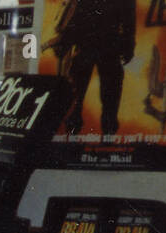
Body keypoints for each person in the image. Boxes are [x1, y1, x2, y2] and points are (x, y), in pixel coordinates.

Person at [47, 0, 135, 136]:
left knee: (103, 94)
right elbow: (77, 16)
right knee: (80, 94)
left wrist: (128, 44)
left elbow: (129, 18)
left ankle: (104, 132)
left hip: (102, 44)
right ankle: (82, 129)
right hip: (96, 44)